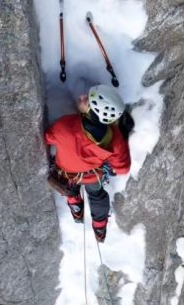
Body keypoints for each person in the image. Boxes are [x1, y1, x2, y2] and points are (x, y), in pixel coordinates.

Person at [45, 84, 131, 242]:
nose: (82, 97)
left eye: (87, 100)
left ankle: (76, 209)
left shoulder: (64, 126)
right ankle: (99, 229)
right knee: (97, 196)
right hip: (93, 176)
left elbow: (48, 138)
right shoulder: (115, 138)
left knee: (71, 189)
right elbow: (122, 168)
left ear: (93, 110)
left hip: (68, 174)